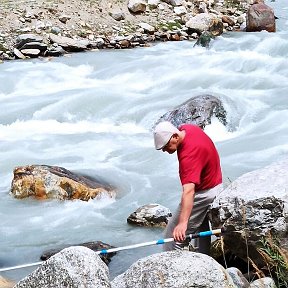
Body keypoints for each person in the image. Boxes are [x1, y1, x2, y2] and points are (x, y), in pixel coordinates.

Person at [153, 121, 222, 254]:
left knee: (172, 238)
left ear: (175, 136)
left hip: (204, 193)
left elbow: (189, 192)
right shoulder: (188, 129)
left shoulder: (188, 156)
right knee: (201, 230)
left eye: (165, 145)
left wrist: (183, 223)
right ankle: (204, 261)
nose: (164, 150)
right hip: (215, 183)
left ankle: (171, 267)